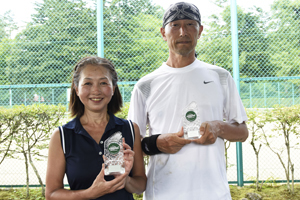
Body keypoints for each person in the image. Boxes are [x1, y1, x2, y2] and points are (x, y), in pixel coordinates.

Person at [128, 2, 248, 200]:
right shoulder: (146, 85)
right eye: (174, 25)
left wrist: (218, 127)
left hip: (214, 193)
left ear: (200, 31)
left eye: (190, 24)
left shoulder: (221, 76)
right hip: (163, 193)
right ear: (163, 32)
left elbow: (242, 132)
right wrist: (157, 143)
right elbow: (133, 143)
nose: (183, 31)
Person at [46, 56, 147, 200]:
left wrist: (125, 180)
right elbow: (51, 194)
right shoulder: (62, 136)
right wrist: (91, 193)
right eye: (87, 83)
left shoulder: (130, 129)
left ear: (113, 88)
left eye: (103, 83)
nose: (96, 91)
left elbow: (140, 185)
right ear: (76, 88)